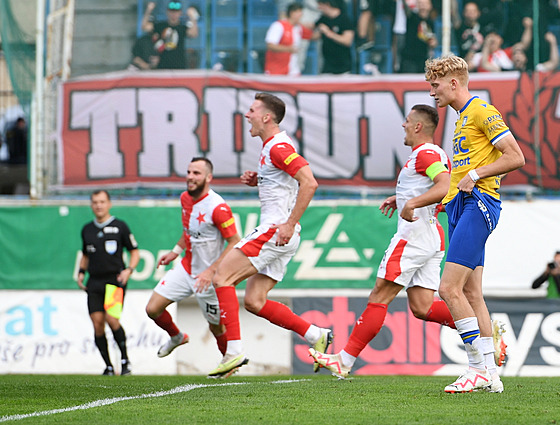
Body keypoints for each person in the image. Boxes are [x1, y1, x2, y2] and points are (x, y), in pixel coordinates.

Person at [309, 105, 458, 378]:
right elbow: (434, 189)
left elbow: (445, 186)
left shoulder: (425, 153)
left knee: (379, 295)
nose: (402, 125)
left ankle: (344, 360)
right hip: (431, 235)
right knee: (422, 307)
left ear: (417, 127)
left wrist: (412, 202)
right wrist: (401, 198)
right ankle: (483, 332)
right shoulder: (429, 155)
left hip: (413, 235)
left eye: (407, 121)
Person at [207, 92, 332, 377]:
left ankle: (233, 352)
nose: (247, 115)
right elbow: (287, 183)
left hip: (276, 231)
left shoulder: (278, 147)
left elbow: (309, 183)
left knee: (221, 277)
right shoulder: (271, 148)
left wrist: (288, 224)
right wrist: (260, 180)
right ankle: (316, 335)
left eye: (252, 110)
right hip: (281, 234)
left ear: (266, 117)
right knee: (255, 301)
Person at [425, 54, 525, 393]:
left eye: (435, 85)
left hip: (479, 203)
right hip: (460, 204)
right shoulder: (461, 116)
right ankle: (491, 374)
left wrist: (475, 174)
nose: (432, 93)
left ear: (454, 83)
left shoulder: (482, 110)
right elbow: (469, 165)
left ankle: (475, 367)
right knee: (472, 293)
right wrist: (448, 198)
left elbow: (516, 156)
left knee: (448, 289)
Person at [146, 157, 241, 376]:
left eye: (196, 173)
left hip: (209, 278)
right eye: (189, 172)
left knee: (216, 326)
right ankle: (177, 336)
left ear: (209, 178)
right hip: (187, 268)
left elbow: (235, 241)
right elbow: (189, 231)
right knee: (153, 309)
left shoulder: (218, 207)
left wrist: (211, 271)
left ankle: (229, 365)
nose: (190, 177)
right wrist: (174, 252)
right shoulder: (185, 199)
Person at [77, 190, 140, 376]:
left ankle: (124, 360)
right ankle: (108, 366)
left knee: (112, 319)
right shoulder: (87, 229)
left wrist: (129, 270)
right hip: (94, 281)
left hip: (114, 280)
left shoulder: (120, 226)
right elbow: (86, 255)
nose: (99, 205)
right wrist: (81, 272)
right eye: (95, 202)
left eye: (102, 201)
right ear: (91, 205)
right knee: (97, 323)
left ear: (109, 204)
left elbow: (134, 251)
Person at [141, 0, 199, 69]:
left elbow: (194, 34)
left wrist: (193, 18)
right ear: (167, 12)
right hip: (163, 66)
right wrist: (148, 11)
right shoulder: (161, 26)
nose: (174, 14)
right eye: (171, 12)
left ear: (180, 13)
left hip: (179, 66)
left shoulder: (182, 27)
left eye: (176, 12)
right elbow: (144, 27)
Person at [469, 18, 533, 72]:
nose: (492, 39)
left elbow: (524, 45)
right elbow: (466, 69)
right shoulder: (478, 56)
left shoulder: (506, 53)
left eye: (495, 36)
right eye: (489, 37)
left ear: (500, 40)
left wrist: (528, 27)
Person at [313, 0, 355, 74]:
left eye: (320, 5)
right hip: (327, 66)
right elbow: (314, 33)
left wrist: (329, 33)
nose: (319, 8)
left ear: (327, 4)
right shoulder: (324, 19)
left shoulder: (344, 19)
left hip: (342, 67)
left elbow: (347, 41)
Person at [265, 2, 304, 76]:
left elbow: (313, 35)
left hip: (293, 71)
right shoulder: (278, 26)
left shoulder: (298, 28)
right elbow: (270, 45)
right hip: (276, 71)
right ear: (292, 13)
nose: (301, 15)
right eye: (299, 12)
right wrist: (288, 49)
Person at [399, 0, 438, 74]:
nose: (423, 6)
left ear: (430, 6)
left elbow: (431, 39)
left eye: (425, 4)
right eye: (420, 3)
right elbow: (406, 9)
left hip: (423, 59)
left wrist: (434, 42)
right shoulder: (411, 17)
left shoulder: (430, 22)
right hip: (409, 59)